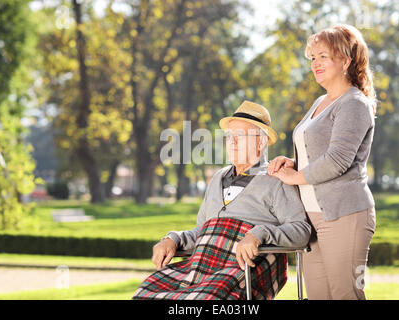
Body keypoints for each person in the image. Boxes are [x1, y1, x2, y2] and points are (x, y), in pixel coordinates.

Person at [133, 101, 311, 300]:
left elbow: (301, 231)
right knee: (145, 293)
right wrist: (173, 239)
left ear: (260, 142)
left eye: (240, 136)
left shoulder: (277, 179)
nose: (232, 142)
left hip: (240, 269)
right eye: (229, 136)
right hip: (200, 268)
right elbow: (202, 232)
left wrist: (258, 234)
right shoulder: (218, 177)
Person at [268, 24, 377, 300]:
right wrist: (292, 163)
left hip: (345, 214)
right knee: (317, 295)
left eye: (323, 57)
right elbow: (314, 154)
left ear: (345, 60)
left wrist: (295, 177)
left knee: (346, 294)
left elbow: (338, 160)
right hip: (311, 219)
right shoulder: (320, 101)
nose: (315, 64)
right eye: (313, 57)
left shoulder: (354, 103)